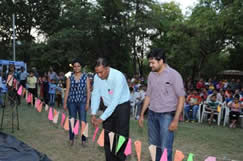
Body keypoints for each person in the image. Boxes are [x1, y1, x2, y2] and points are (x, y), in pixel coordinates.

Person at [138, 48, 185, 161]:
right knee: (153, 146)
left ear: (161, 61)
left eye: (153, 62)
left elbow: (181, 97)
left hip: (167, 116)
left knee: (165, 148)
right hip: (152, 115)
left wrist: (175, 119)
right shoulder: (151, 75)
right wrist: (142, 114)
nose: (150, 65)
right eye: (150, 62)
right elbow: (148, 95)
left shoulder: (174, 75)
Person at [91, 58, 130, 161]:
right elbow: (95, 94)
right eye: (97, 72)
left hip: (122, 107)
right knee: (108, 137)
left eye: (101, 72)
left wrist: (101, 119)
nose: (99, 75)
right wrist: (93, 113)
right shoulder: (97, 77)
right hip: (107, 107)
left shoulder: (118, 76)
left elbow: (115, 101)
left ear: (107, 68)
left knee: (121, 137)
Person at [63, 59, 91, 146]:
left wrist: (87, 103)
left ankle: (83, 140)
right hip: (71, 102)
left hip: (82, 102)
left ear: (81, 67)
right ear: (73, 68)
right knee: (72, 121)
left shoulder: (85, 77)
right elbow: (67, 90)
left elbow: (88, 91)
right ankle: (71, 139)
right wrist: (65, 102)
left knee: (83, 121)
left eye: (78, 66)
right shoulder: (69, 78)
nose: (76, 68)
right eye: (75, 66)